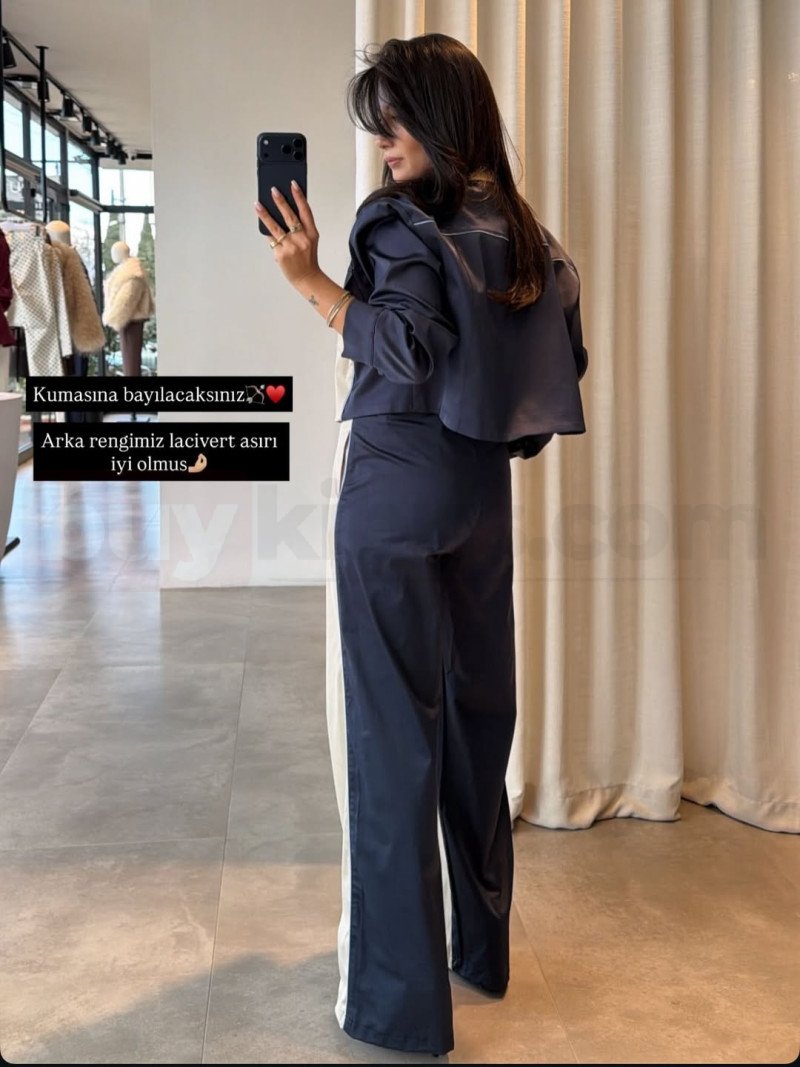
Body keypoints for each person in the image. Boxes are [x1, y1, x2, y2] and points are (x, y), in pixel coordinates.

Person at [255, 32, 588, 1058]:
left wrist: (311, 280)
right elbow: (556, 367)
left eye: (393, 122)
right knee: (477, 724)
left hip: (394, 492)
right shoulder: (522, 230)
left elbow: (400, 344)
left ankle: (400, 1006)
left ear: (438, 118)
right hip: (480, 498)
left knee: (392, 736)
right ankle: (478, 951)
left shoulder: (397, 221)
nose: (383, 144)